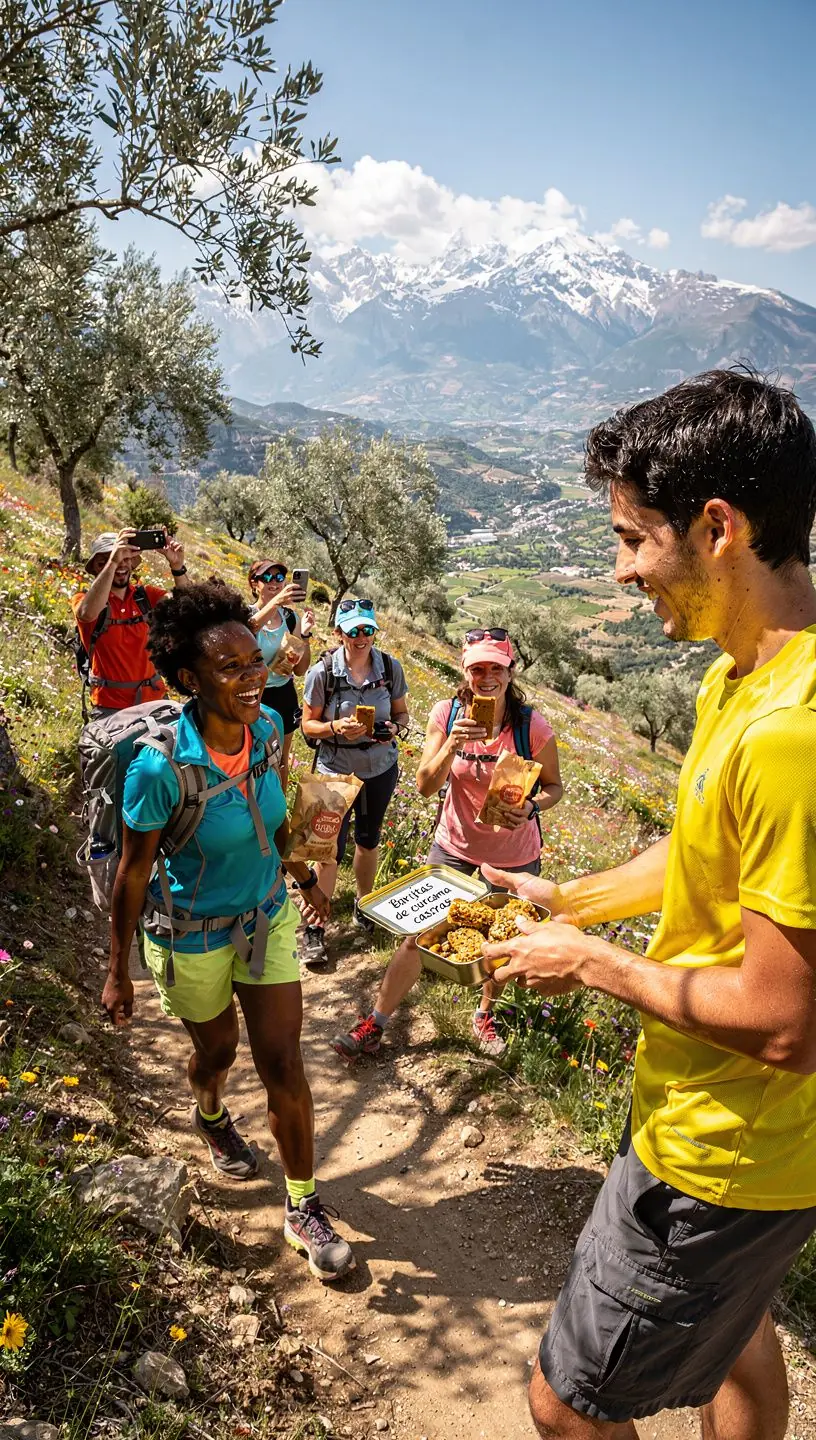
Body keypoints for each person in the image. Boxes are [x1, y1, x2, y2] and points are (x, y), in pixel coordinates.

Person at [479, 370, 816, 1440]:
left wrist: (591, 965)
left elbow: (783, 1023)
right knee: (738, 1329)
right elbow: (704, 854)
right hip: (751, 1146)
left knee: (566, 1404)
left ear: (718, 527)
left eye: (634, 539)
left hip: (725, 1151)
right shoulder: (743, 680)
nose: (622, 571)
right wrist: (565, 898)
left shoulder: (788, 737)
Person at [100, 579, 355, 1281]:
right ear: (189, 678)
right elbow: (132, 871)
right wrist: (117, 968)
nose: (254, 677)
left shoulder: (269, 730)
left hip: (265, 915)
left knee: (283, 1062)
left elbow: (271, 817)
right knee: (217, 1053)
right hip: (190, 936)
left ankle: (303, 1207)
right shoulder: (159, 767)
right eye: (232, 667)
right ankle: (210, 1111)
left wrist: (304, 882)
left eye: (257, 661)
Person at [332, 630, 563, 1061]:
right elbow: (424, 785)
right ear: (465, 671)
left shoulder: (531, 725)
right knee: (419, 937)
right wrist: (454, 743)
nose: (487, 676)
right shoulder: (447, 714)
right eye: (478, 668)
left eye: (496, 667)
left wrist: (531, 806)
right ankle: (375, 1023)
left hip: (513, 855)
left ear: (511, 671)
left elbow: (554, 787)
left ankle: (484, 1014)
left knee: (504, 940)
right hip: (454, 846)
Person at [300, 600, 409, 967]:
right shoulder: (322, 674)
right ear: (339, 633)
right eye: (353, 631)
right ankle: (314, 929)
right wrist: (334, 728)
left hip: (380, 766)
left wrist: (394, 728)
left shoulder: (390, 668)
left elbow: (402, 713)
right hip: (334, 769)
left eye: (367, 630)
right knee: (324, 848)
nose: (361, 637)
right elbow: (307, 726)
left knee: (368, 840)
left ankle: (365, 905)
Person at [72, 528, 190, 716]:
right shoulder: (85, 599)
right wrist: (114, 561)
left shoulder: (146, 597)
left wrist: (177, 566)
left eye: (126, 559)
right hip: (110, 708)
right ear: (96, 568)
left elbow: (187, 605)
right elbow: (87, 613)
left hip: (156, 702)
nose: (121, 565)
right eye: (106, 561)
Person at [247, 558, 314, 792]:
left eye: (279, 578)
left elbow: (299, 669)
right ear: (254, 584)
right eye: (267, 577)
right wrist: (276, 602)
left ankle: (276, 813)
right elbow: (250, 628)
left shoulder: (290, 618)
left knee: (280, 759)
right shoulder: (245, 615)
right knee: (247, 754)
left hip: (282, 695)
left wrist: (304, 636)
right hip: (251, 693)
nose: (274, 582)